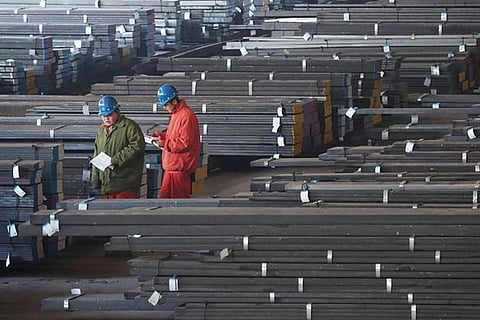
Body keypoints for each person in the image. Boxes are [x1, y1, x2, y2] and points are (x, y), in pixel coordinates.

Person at [91, 95, 146, 199]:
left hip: (125, 185)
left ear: (117, 112)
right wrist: (95, 180)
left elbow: (137, 146)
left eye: (109, 114)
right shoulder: (101, 131)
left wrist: (115, 160)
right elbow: (97, 154)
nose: (106, 118)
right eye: (103, 115)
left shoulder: (129, 127)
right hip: (107, 186)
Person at [152, 84, 200, 198]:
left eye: (166, 105)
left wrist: (164, 143)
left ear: (174, 101)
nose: (164, 108)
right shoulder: (177, 114)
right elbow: (174, 135)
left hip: (179, 170)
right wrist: (160, 136)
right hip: (172, 169)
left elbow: (184, 143)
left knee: (178, 206)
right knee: (166, 203)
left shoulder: (186, 116)